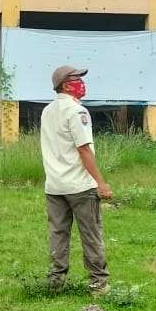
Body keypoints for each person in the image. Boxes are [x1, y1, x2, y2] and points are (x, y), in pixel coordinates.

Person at [40, 64, 113, 294]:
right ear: (65, 84)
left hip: (54, 185)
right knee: (91, 234)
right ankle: (98, 283)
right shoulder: (77, 112)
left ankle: (55, 282)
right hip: (80, 186)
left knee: (58, 234)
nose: (82, 83)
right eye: (77, 78)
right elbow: (83, 150)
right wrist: (101, 183)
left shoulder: (48, 110)